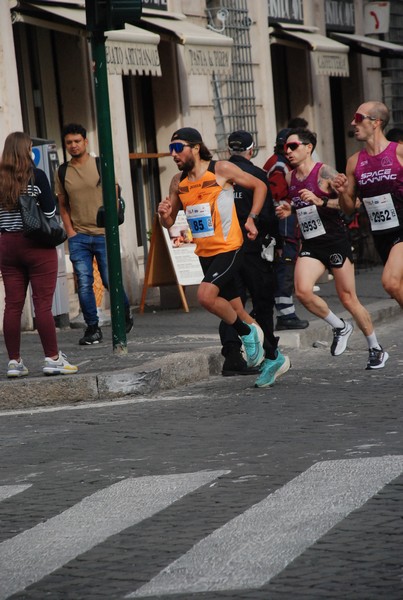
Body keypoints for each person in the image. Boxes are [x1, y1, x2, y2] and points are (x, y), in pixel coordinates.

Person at [157, 127, 268, 380]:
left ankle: (246, 334)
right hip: (204, 253)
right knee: (237, 310)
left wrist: (252, 218)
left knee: (205, 296)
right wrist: (164, 216)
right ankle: (272, 355)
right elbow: (170, 221)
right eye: (170, 149)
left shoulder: (220, 170)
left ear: (195, 147)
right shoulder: (178, 181)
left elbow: (259, 186)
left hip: (229, 248)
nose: (173, 154)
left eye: (178, 148)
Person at [276, 127, 388, 369]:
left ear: (308, 148)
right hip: (312, 243)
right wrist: (291, 209)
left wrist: (321, 200)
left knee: (348, 299)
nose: (288, 151)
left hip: (336, 241)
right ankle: (340, 326)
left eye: (293, 146)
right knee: (303, 291)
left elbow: (353, 203)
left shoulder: (325, 172)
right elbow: (302, 205)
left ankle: (376, 348)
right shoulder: (290, 177)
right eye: (285, 147)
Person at [0, 132, 78, 377]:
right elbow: (50, 211)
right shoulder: (37, 176)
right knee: (42, 305)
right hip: (36, 245)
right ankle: (52, 358)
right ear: (27, 150)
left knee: (12, 305)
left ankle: (14, 361)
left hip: (6, 245)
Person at [218, 130, 290, 386]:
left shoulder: (219, 175)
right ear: (251, 151)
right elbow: (268, 216)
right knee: (261, 302)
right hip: (252, 247)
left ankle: (231, 355)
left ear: (229, 150)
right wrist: (278, 245)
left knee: (230, 302)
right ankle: (269, 354)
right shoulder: (257, 175)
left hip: (225, 248)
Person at [56, 123, 133, 345]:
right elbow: (63, 205)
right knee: (84, 283)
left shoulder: (100, 164)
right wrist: (70, 232)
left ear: (85, 142)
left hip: (103, 235)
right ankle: (92, 328)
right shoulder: (63, 171)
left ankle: (125, 312)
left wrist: (110, 221)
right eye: (69, 142)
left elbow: (115, 192)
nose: (73, 145)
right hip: (79, 236)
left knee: (110, 279)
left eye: (77, 141)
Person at [334, 100, 403, 314]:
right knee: (397, 287)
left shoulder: (399, 153)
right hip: (382, 235)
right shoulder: (354, 162)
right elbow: (348, 209)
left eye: (358, 118)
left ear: (376, 122)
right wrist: (343, 191)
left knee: (390, 282)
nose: (352, 123)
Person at [263, 128, 309, 330]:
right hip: (284, 225)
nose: (291, 151)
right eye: (289, 146)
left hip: (284, 224)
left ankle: (285, 312)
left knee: (285, 268)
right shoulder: (280, 166)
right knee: (285, 267)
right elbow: (278, 197)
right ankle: (285, 314)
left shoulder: (277, 163)